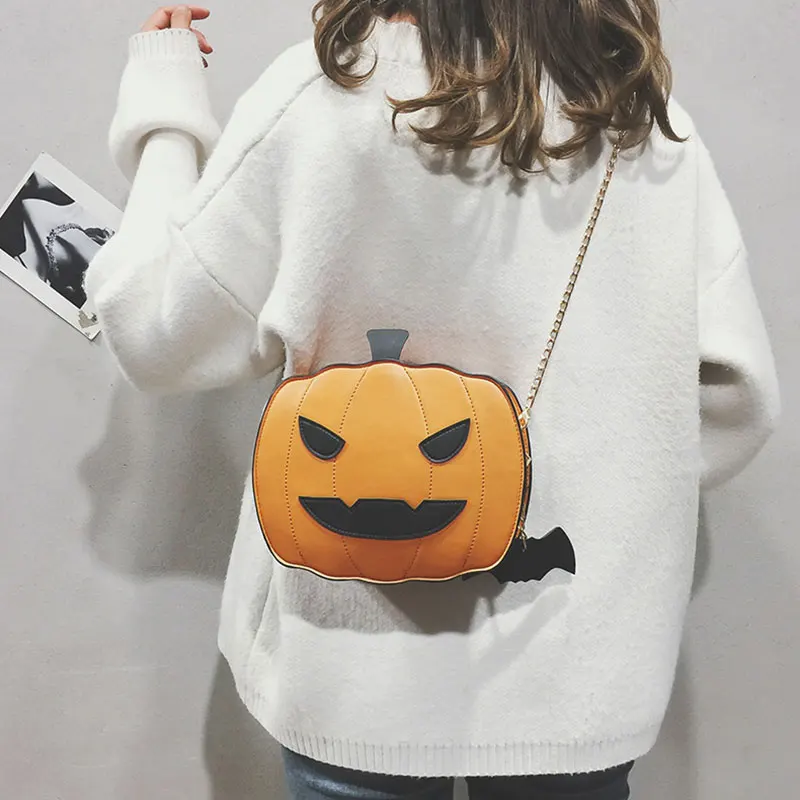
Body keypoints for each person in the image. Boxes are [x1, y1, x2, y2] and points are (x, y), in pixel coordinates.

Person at [84, 2, 780, 798]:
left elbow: (155, 330)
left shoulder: (327, 95)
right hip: (576, 672)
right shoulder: (644, 127)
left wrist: (165, 114)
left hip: (355, 668)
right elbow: (738, 404)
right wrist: (588, 483)